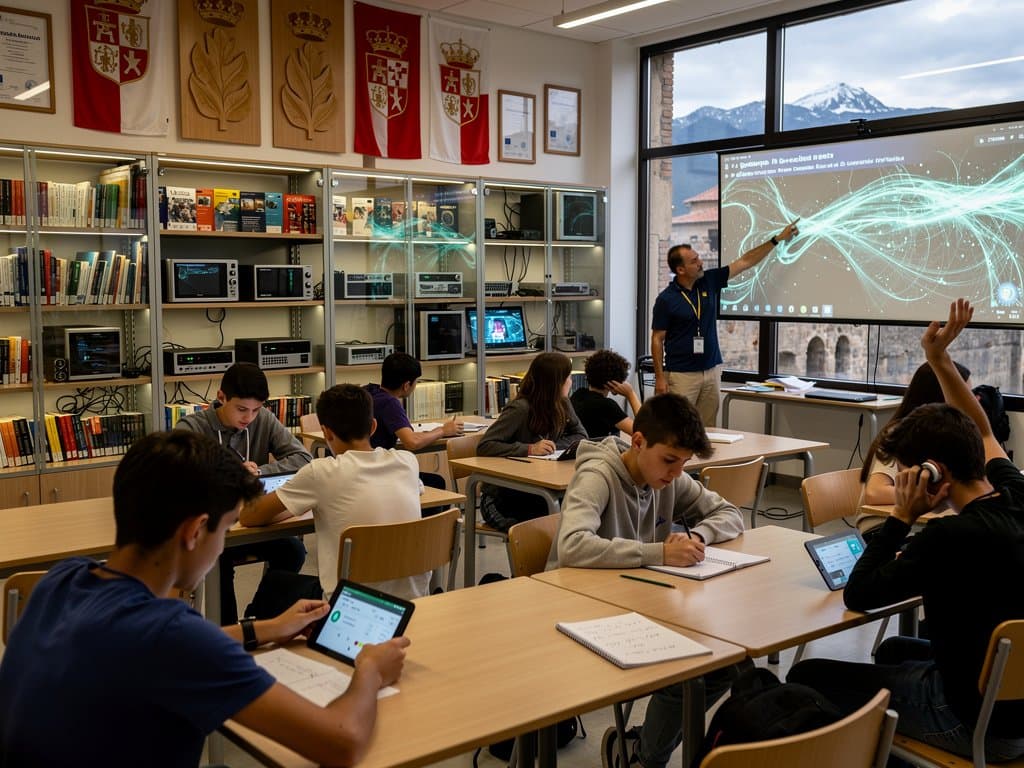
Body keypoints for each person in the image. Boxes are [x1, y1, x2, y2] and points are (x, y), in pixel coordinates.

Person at [0, 431, 409, 768]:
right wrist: (370, 670)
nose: (222, 546)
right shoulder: (171, 636)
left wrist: (264, 629)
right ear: (195, 531)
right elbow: (341, 744)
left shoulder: (62, 580)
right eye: (226, 529)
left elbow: (156, 649)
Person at [788, 299, 1024, 762]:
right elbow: (985, 432)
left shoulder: (947, 539)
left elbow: (859, 594)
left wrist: (901, 518)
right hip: (1017, 712)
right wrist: (938, 359)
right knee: (895, 647)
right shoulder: (1017, 492)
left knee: (808, 676)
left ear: (932, 474)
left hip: (971, 722)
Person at [550, 392, 748, 768]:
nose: (676, 473)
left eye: (684, 464)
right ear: (638, 442)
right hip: (578, 607)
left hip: (636, 600)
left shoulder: (668, 478)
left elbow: (729, 513)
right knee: (692, 669)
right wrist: (659, 553)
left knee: (724, 664)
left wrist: (697, 536)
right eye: (670, 461)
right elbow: (572, 546)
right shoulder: (597, 475)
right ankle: (644, 757)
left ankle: (642, 756)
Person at [241, 384, 428, 601]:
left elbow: (249, 516)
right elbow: (414, 491)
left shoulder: (321, 473)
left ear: (326, 432)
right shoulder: (407, 462)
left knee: (274, 584)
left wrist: (296, 506)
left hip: (346, 603)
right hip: (411, 602)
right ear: (373, 426)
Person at [174, 361, 312, 624]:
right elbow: (178, 477)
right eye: (241, 409)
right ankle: (227, 630)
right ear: (221, 397)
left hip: (250, 522)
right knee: (218, 561)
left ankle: (259, 618)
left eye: (255, 410)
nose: (248, 418)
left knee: (293, 551)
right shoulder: (191, 427)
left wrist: (260, 471)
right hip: (210, 529)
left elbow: (303, 458)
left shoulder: (264, 419)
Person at [651, 220, 800, 426]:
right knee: (677, 428)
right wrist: (660, 377)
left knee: (708, 428)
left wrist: (777, 239)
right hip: (681, 374)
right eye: (694, 261)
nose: (700, 262)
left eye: (698, 257)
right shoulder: (667, 299)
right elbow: (657, 339)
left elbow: (745, 261)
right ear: (681, 269)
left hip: (710, 371)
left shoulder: (708, 280)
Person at [856, 359, 970, 537]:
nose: (971, 402)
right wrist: (928, 496)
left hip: (917, 525)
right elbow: (874, 492)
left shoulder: (946, 433)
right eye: (965, 394)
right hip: (881, 528)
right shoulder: (900, 433)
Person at [477, 351, 588, 532]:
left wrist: (550, 446)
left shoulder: (563, 403)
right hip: (503, 497)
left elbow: (581, 435)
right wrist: (529, 449)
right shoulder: (520, 408)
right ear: (555, 382)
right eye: (567, 377)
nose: (571, 381)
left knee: (575, 510)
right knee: (550, 523)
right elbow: (485, 446)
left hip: (536, 487)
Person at [366, 352, 462, 490]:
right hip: (379, 472)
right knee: (437, 482)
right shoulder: (390, 403)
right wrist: (443, 430)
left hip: (366, 467)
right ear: (406, 385)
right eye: (416, 381)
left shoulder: (370, 391)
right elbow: (412, 442)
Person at [571, 348, 642, 437]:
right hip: (599, 446)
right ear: (615, 381)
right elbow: (645, 432)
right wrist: (631, 394)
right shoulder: (607, 406)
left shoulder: (578, 394)